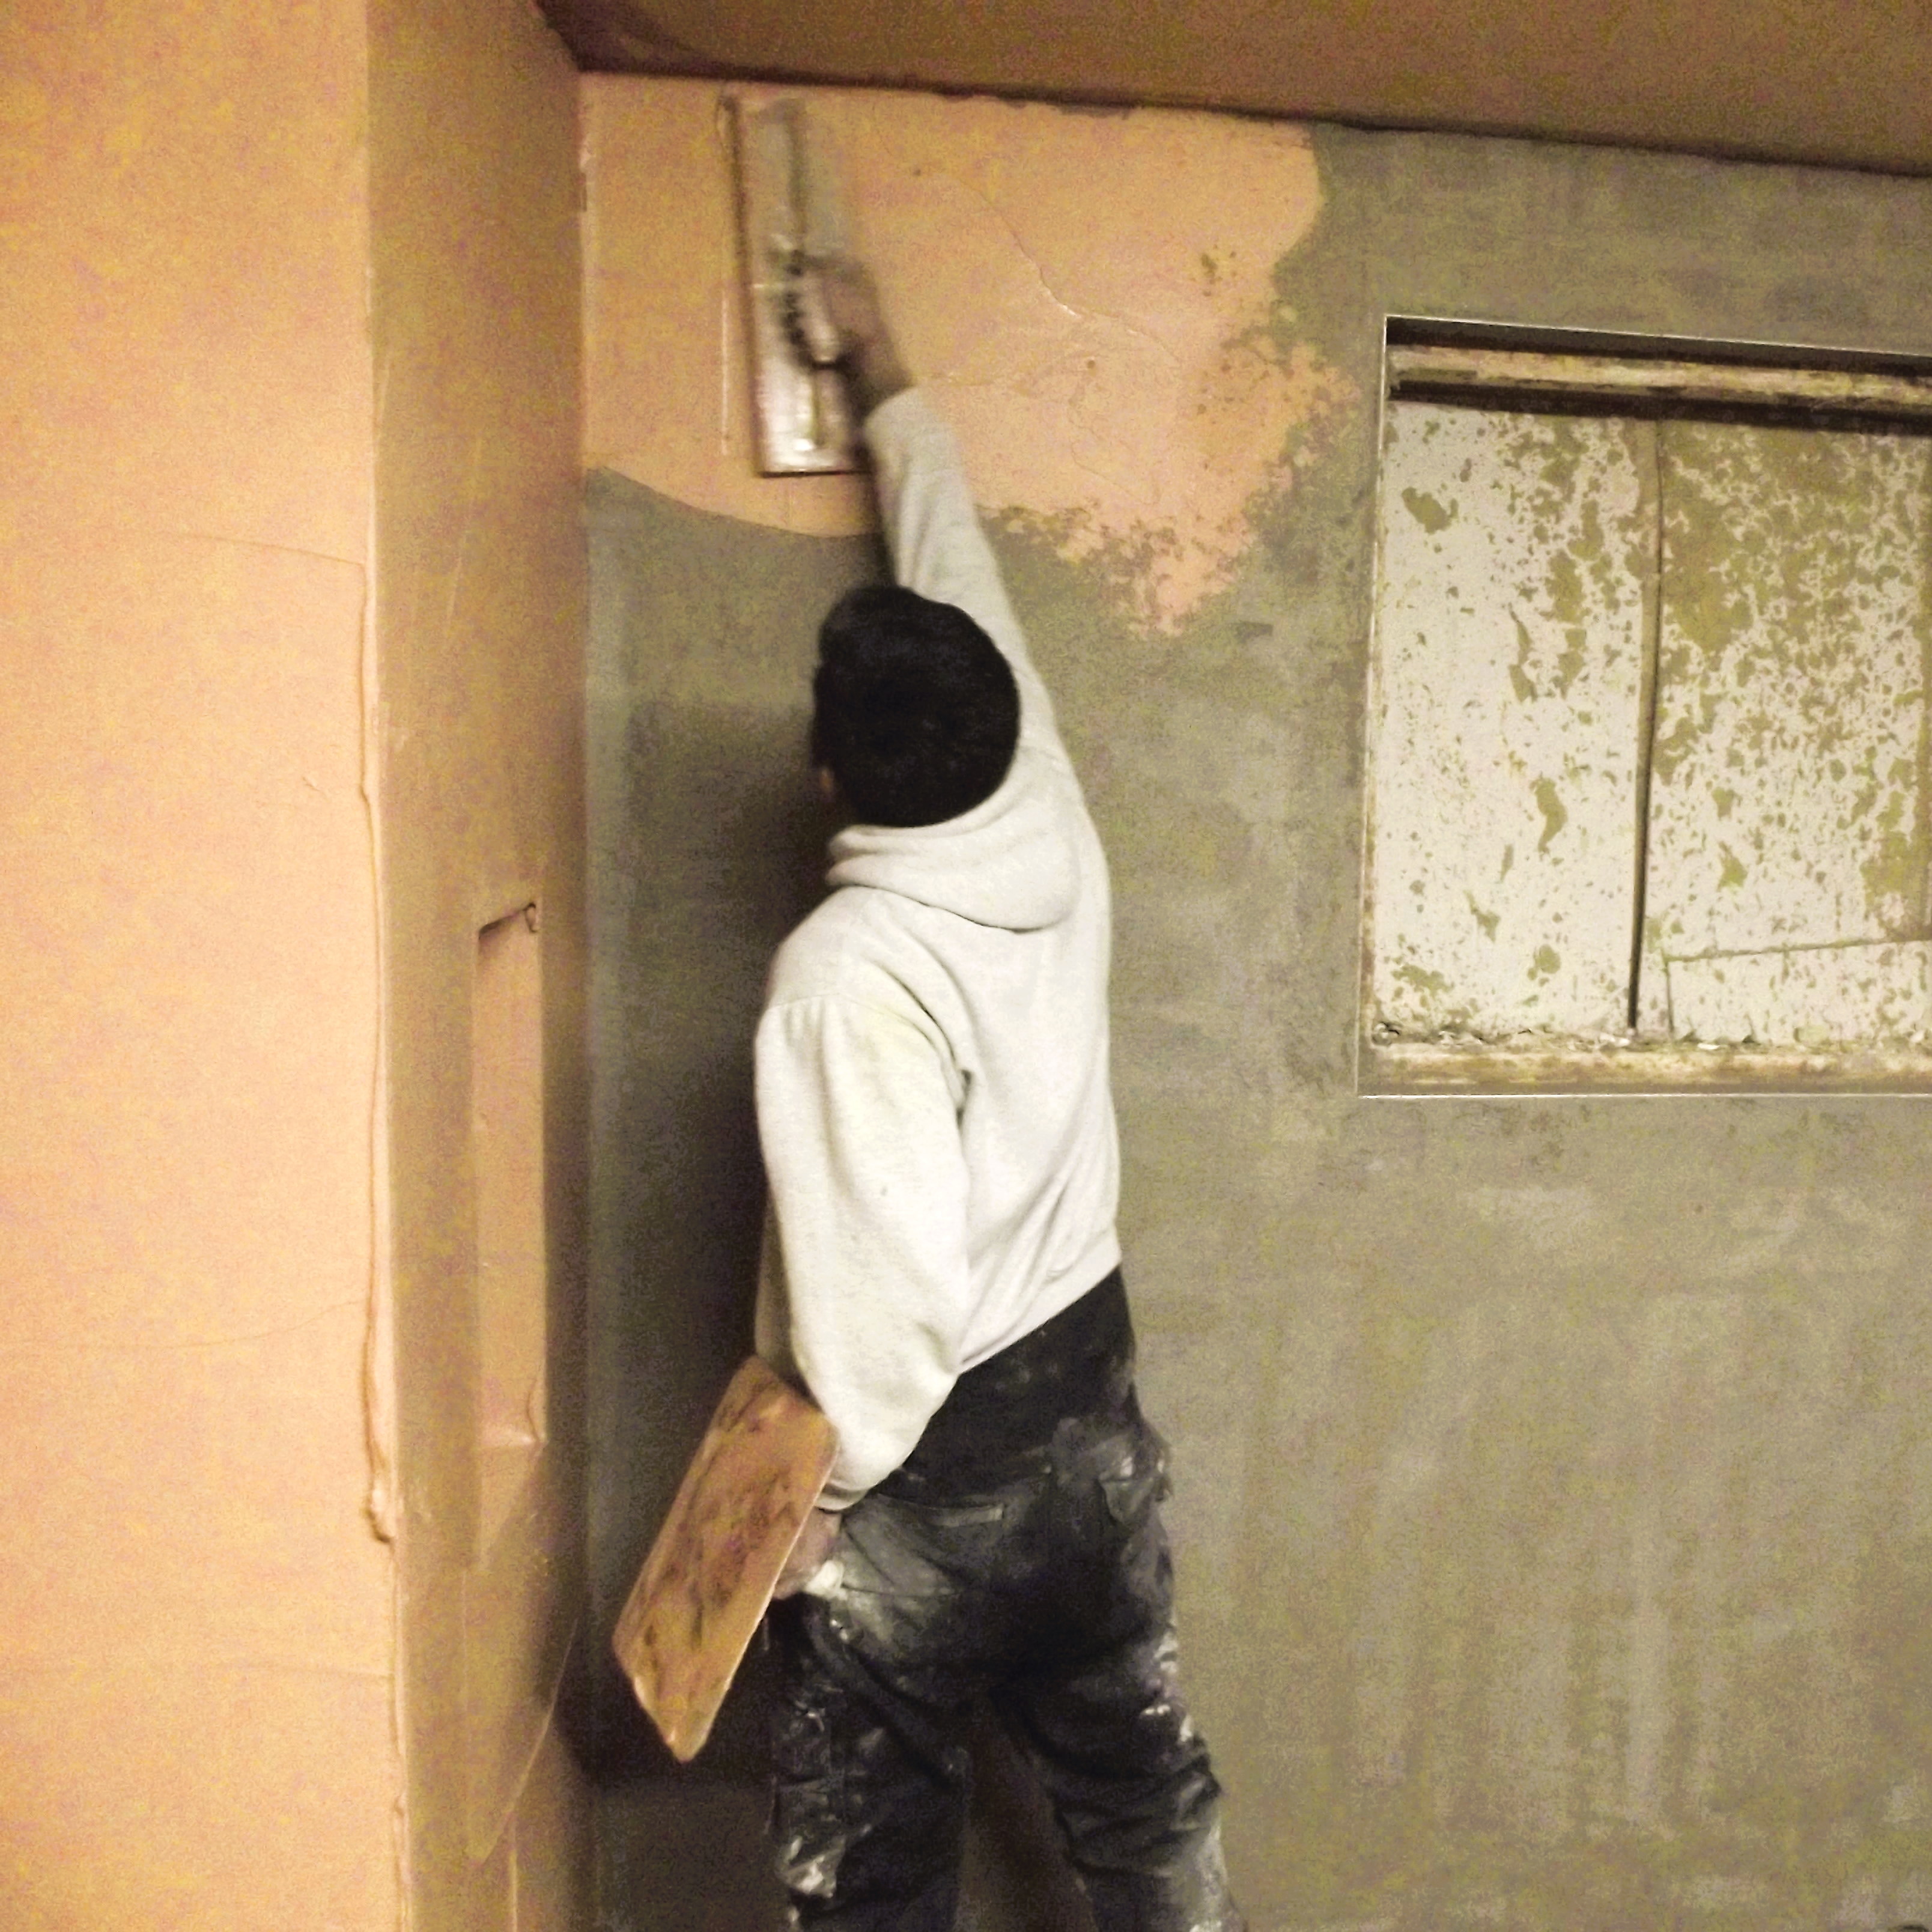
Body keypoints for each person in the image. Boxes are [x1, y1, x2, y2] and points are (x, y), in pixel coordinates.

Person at [752, 256, 1243, 1932]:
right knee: (1137, 1795)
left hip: (940, 1449)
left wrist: (802, 1529)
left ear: (830, 773)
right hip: (1090, 1405)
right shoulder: (1039, 793)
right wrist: (885, 357)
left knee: (868, 1877)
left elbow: (880, 1326)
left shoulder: (845, 974)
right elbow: (956, 576)